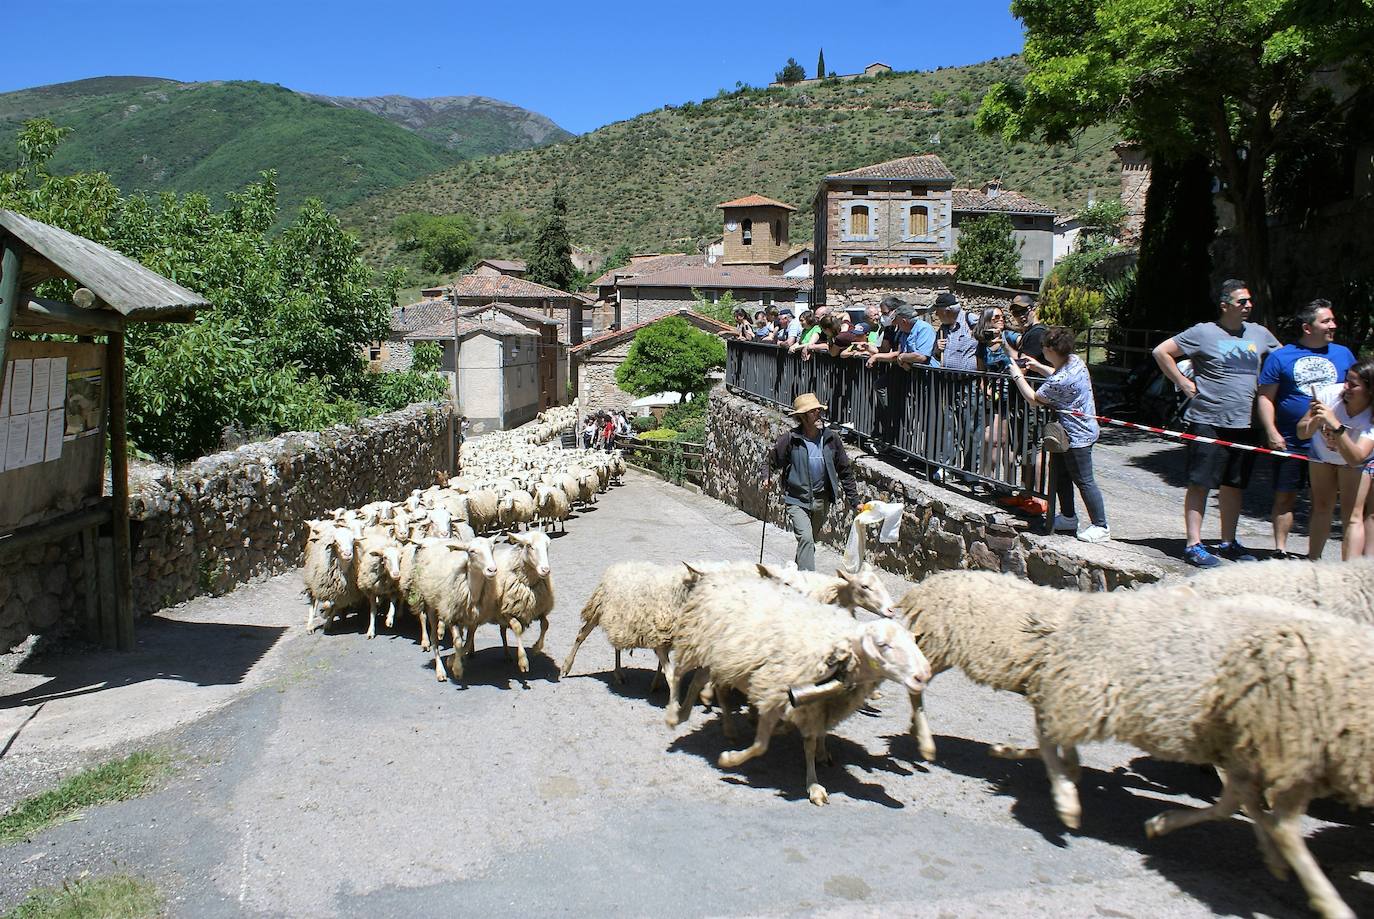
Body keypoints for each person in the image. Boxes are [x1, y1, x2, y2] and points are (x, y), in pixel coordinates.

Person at [1152, 279, 1281, 567]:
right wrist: (1183, 382)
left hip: (1245, 422)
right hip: (1208, 420)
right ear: (1225, 305)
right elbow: (1161, 352)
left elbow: (1282, 360)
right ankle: (1194, 544)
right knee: (1200, 483)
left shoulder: (1259, 333)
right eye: (1241, 302)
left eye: (1249, 301)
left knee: (1234, 485)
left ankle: (1228, 542)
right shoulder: (1204, 333)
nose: (1248, 306)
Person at [1256, 299, 1356, 557]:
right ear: (1307, 328)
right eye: (1326, 321)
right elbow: (1266, 397)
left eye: (1333, 320)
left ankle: (1316, 556)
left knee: (1324, 502)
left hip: (1329, 445)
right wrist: (1271, 431)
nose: (1333, 325)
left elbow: (1356, 395)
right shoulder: (1281, 356)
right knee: (1284, 496)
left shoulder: (1344, 354)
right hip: (1291, 439)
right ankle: (1280, 550)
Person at [1006, 327, 1110, 542]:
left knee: (1084, 480)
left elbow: (1034, 398)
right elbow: (1056, 374)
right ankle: (1069, 516)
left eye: (1044, 348)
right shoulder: (1075, 362)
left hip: (1077, 436)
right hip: (1069, 434)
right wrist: (1038, 367)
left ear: (1051, 350)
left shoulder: (1061, 379)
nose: (1042, 351)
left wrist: (1017, 376)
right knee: (1061, 476)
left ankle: (1101, 525)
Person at [767, 393, 860, 571]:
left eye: (818, 409)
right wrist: (766, 477)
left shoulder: (831, 439)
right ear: (802, 416)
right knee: (806, 539)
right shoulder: (790, 439)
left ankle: (794, 576)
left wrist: (855, 502)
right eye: (813, 411)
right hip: (797, 499)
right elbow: (771, 461)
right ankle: (808, 583)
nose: (818, 413)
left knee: (808, 542)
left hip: (821, 500)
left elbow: (845, 472)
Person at [1296, 359, 1374, 560]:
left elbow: (1356, 458)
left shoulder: (1371, 415)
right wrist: (1315, 421)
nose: (1346, 387)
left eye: (1354, 384)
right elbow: (1301, 432)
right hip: (1322, 453)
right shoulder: (1330, 394)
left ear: (1370, 390)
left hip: (1353, 460)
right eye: (1347, 380)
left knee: (1352, 515)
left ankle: (1349, 573)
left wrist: (1335, 425)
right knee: (1322, 505)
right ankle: (1313, 562)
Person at [1009, 294, 1047, 366]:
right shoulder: (1030, 332)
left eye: (1024, 311)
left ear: (1034, 310)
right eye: (1016, 313)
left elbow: (1023, 366)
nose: (1021, 316)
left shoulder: (1037, 333)